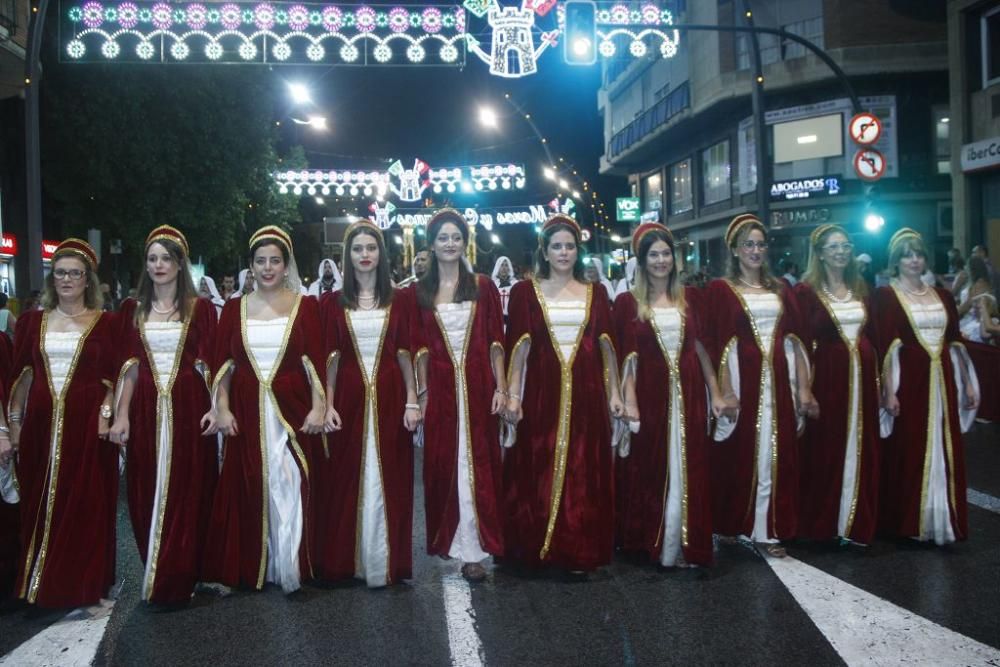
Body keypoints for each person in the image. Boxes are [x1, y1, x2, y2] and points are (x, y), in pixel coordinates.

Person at [202, 226, 327, 593]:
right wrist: (222, 409)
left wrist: (319, 408)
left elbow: (315, 361)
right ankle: (258, 564)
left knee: (290, 480)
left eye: (275, 260)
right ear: (251, 267)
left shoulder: (307, 306)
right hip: (247, 409)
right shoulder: (234, 309)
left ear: (287, 265)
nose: (268, 268)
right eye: (261, 261)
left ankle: (290, 564)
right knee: (253, 482)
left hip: (292, 410)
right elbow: (223, 365)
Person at [503, 214, 625, 574]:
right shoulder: (526, 291)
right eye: (556, 246)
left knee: (584, 469)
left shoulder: (596, 293)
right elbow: (519, 349)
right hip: (542, 392)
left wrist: (614, 394)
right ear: (545, 250)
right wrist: (513, 396)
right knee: (537, 467)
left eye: (570, 246)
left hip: (587, 394)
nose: (564, 252)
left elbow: (607, 349)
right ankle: (537, 548)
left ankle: (578, 550)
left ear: (578, 250)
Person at [5, 239, 118, 607]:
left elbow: (111, 380)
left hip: (86, 426)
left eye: (75, 273)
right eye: (60, 273)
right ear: (52, 279)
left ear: (88, 280)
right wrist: (16, 426)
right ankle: (40, 583)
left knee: (85, 501)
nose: (67, 279)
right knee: (38, 498)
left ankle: (81, 584)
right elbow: (21, 380)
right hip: (39, 424)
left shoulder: (105, 323)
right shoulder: (31, 322)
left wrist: (104, 417)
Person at [109, 226, 218, 605]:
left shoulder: (200, 309)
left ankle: (180, 574)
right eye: (153, 258)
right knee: (145, 488)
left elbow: (210, 364)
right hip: (144, 410)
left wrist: (217, 408)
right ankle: (157, 566)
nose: (159, 265)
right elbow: (130, 367)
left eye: (166, 258)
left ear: (179, 264)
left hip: (189, 406)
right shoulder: (132, 309)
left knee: (189, 489)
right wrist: (121, 415)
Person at [614, 222, 733, 568]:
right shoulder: (627, 302)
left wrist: (717, 394)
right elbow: (627, 358)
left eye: (666, 253)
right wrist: (631, 400)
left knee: (690, 467)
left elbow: (702, 350)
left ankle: (687, 543)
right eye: (654, 254)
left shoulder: (691, 299)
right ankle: (657, 542)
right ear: (641, 259)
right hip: (651, 394)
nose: (661, 260)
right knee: (652, 467)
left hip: (690, 394)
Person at [705, 214, 817, 558]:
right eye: (748, 244)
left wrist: (804, 389)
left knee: (776, 452)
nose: (755, 250)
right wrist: (722, 391)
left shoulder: (780, 288)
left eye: (760, 244)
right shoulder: (721, 290)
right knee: (737, 454)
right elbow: (714, 342)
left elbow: (796, 340)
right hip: (744, 380)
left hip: (778, 381)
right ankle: (730, 522)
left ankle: (768, 528)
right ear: (735, 250)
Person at [316, 219, 420, 588]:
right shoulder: (331, 303)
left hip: (392, 396)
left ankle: (386, 562)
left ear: (381, 254)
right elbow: (329, 358)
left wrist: (412, 400)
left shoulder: (401, 300)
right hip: (347, 396)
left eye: (371, 248)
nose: (364, 255)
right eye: (358, 249)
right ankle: (349, 561)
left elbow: (406, 352)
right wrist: (327, 405)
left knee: (392, 476)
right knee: (344, 478)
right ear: (347, 255)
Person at [410, 209, 507, 582]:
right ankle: (452, 541)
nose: (449, 244)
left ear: (465, 242)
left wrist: (501, 387)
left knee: (480, 466)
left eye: (455, 237)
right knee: (444, 465)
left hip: (480, 387)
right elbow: (418, 348)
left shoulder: (483, 286)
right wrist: (421, 396)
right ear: (432, 245)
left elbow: (497, 341)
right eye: (442, 238)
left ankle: (476, 551)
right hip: (441, 390)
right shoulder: (419, 292)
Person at [876, 228, 979, 545]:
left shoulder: (943, 296)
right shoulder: (887, 298)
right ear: (896, 261)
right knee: (910, 449)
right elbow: (885, 349)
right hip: (911, 383)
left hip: (943, 380)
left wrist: (968, 383)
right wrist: (889, 391)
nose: (914, 260)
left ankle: (942, 520)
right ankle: (909, 522)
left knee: (944, 448)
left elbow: (954, 343)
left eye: (918, 254)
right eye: (907, 255)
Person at [795, 225, 880, 546]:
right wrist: (804, 388)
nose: (841, 252)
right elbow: (800, 343)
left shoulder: (860, 287)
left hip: (862, 382)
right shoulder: (806, 292)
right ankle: (824, 523)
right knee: (825, 449)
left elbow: (872, 336)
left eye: (846, 246)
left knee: (862, 446)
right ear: (819, 253)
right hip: (828, 379)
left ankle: (857, 523)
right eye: (833, 247)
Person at [957, 256, 995, 342]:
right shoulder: (978, 282)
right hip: (968, 319)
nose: (964, 268)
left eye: (966, 266)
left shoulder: (979, 284)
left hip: (973, 321)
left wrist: (955, 311)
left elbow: (968, 305)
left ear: (972, 269)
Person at [491, 256, 518, 327]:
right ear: (498, 267)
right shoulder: (492, 284)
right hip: (496, 323)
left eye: (506, 265)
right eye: (501, 265)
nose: (504, 268)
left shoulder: (515, 284)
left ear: (509, 268)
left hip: (512, 322)